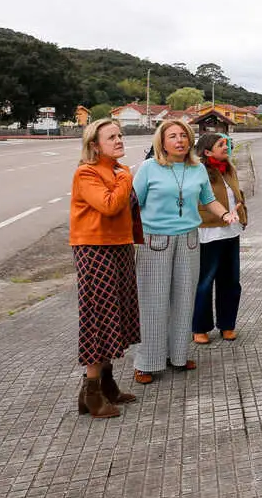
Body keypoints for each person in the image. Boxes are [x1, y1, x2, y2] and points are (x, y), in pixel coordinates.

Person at [131, 119, 238, 384]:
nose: (179, 140)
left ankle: (177, 355)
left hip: (189, 239)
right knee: (153, 302)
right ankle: (146, 362)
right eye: (172, 136)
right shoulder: (148, 168)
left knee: (184, 300)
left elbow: (208, 200)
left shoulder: (197, 168)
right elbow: (134, 204)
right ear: (162, 142)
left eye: (183, 135)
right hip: (154, 241)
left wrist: (225, 214)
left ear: (190, 140)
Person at [69, 118, 142, 419]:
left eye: (120, 135)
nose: (119, 140)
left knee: (117, 314)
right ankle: (91, 391)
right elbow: (109, 205)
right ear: (94, 145)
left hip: (120, 245)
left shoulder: (117, 170)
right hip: (94, 249)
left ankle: (107, 382)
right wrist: (125, 177)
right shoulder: (87, 173)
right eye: (111, 137)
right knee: (97, 317)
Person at [192, 133, 248, 345]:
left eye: (226, 143)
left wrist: (242, 214)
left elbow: (236, 195)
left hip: (231, 232)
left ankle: (227, 325)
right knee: (204, 283)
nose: (226, 147)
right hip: (208, 232)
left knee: (231, 282)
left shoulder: (229, 168)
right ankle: (199, 327)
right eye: (220, 145)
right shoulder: (199, 171)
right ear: (207, 151)